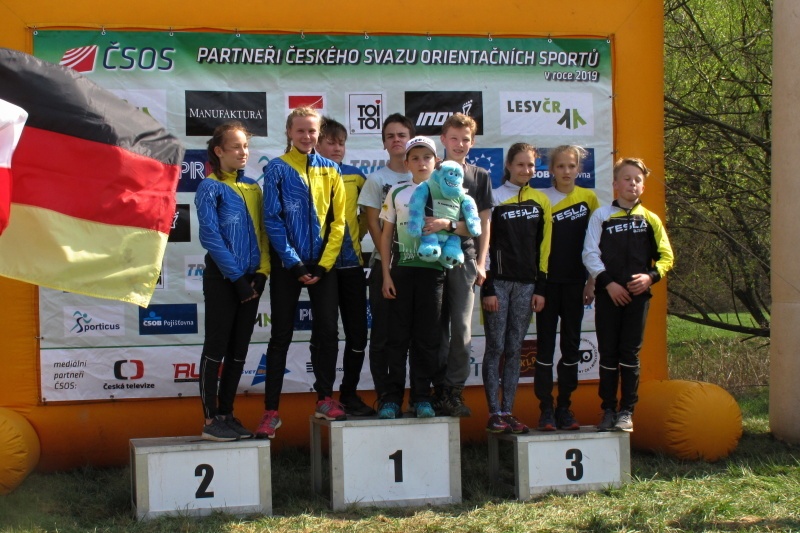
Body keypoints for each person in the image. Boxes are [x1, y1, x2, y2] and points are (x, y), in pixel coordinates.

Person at [257, 106, 347, 439]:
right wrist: (293, 262)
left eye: (312, 131)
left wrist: (324, 264)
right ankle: (271, 412)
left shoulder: (331, 169)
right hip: (287, 265)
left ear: (318, 133)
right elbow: (272, 219)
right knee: (280, 334)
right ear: (289, 133)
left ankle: (324, 398)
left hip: (323, 264)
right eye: (301, 131)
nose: (307, 136)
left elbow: (339, 222)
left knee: (327, 331)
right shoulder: (277, 168)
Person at [582, 157, 674, 432]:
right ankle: (608, 410)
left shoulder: (651, 219)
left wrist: (650, 277)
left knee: (629, 355)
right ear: (615, 184)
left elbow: (667, 256)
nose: (632, 183)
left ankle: (627, 411)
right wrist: (608, 283)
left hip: (638, 297)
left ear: (643, 187)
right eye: (627, 178)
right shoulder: (601, 216)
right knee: (608, 354)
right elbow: (590, 253)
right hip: (609, 295)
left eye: (637, 180)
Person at [195, 121, 270, 441]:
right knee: (216, 348)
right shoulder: (209, 187)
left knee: (239, 350)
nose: (243, 152)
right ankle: (211, 419)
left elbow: (263, 234)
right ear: (219, 151)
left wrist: (262, 272)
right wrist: (237, 278)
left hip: (250, 280)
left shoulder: (253, 187)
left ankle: (227, 413)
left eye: (246, 146)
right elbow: (210, 237)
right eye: (236, 146)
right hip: (223, 280)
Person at [481, 143, 551, 434]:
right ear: (508, 165)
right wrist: (487, 287)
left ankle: (508, 411)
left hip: (526, 284)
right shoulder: (494, 197)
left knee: (514, 349)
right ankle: (493, 413)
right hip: (498, 283)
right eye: (520, 164)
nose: (526, 170)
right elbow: (484, 244)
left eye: (531, 165)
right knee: (496, 346)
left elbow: (544, 248)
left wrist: (540, 287)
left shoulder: (541, 201)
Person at [430, 113, 494, 418]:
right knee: (435, 328)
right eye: (453, 138)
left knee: (462, 327)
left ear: (473, 142)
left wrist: (481, 262)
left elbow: (484, 222)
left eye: (465, 139)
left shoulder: (480, 175)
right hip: (430, 258)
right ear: (443, 139)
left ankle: (454, 391)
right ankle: (436, 390)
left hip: (465, 258)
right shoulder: (431, 170)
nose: (459, 144)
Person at [378, 136, 445, 419]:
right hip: (401, 272)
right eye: (415, 158)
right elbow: (385, 236)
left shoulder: (447, 192)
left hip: (434, 274)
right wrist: (386, 275)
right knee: (397, 339)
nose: (421, 163)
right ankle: (392, 399)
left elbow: (468, 229)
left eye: (426, 157)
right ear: (406, 163)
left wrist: (447, 223)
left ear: (436, 162)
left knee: (427, 339)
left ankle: (421, 398)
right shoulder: (397, 191)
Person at [534, 145, 600, 431]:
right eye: (560, 166)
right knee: (545, 348)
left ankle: (565, 407)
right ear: (551, 170)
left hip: (576, 284)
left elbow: (595, 243)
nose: (566, 171)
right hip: (547, 285)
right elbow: (536, 244)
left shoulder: (589, 198)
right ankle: (545, 410)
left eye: (571, 166)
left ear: (579, 169)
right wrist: (537, 285)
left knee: (571, 347)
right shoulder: (542, 198)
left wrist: (592, 280)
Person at [314, 116, 375, 416]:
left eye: (341, 143)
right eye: (331, 142)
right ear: (317, 144)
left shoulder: (356, 176)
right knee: (326, 332)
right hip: (322, 267)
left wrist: (356, 237)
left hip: (352, 264)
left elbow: (367, 216)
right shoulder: (308, 174)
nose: (337, 148)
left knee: (358, 333)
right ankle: (324, 397)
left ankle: (348, 394)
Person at [357, 113, 414, 402]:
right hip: (384, 265)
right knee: (381, 336)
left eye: (401, 135)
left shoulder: (425, 176)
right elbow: (373, 225)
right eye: (390, 136)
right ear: (383, 143)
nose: (396, 140)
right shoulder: (376, 179)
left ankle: (418, 397)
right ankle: (385, 397)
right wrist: (389, 262)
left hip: (418, 265)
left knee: (413, 336)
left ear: (411, 140)